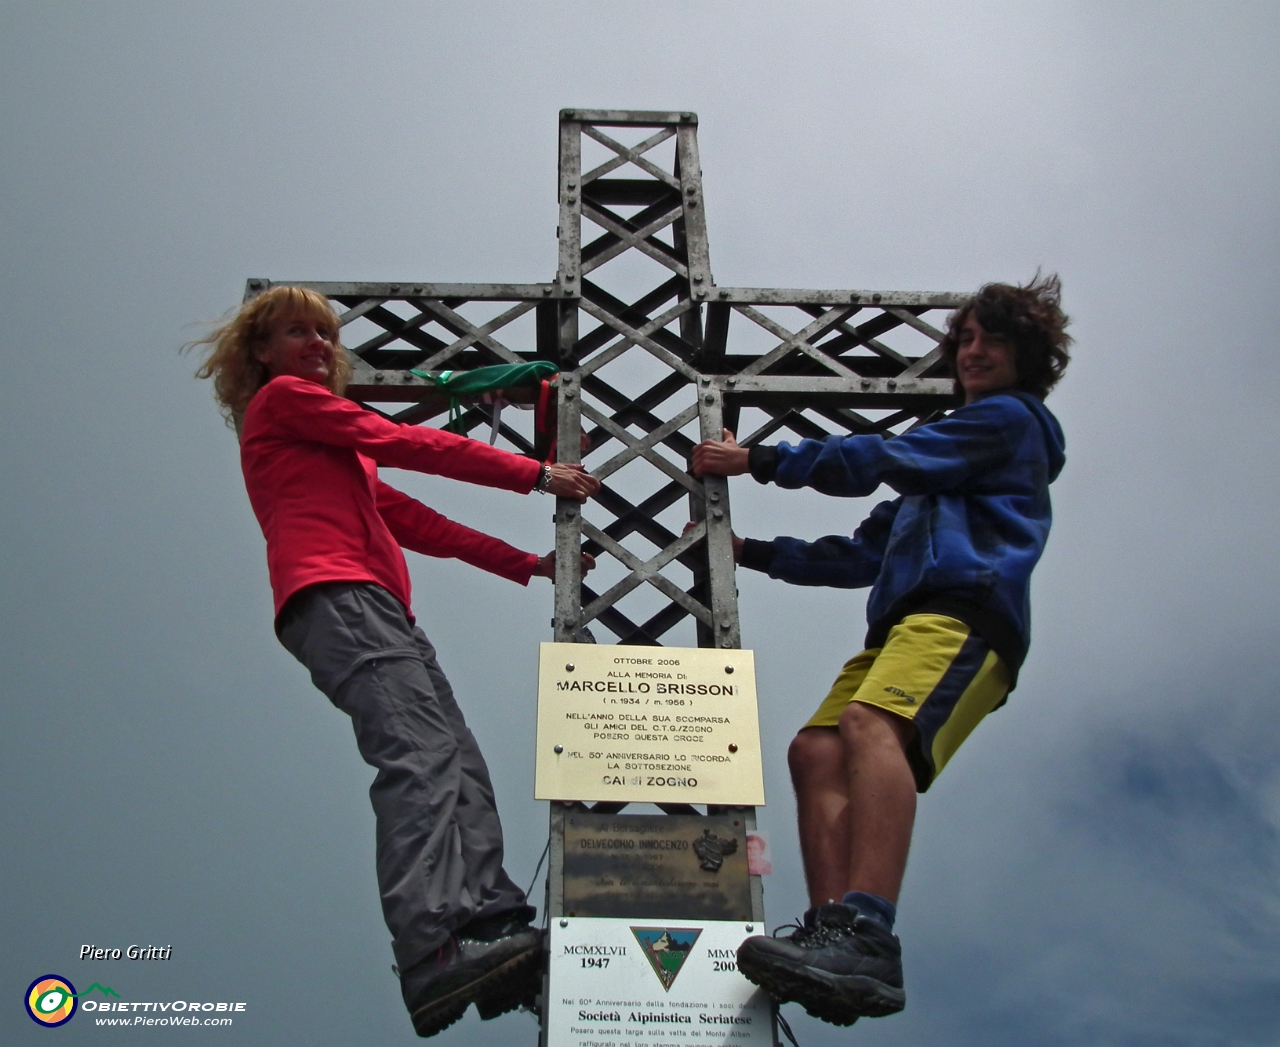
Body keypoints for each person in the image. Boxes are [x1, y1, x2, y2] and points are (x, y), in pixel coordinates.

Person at [192, 286, 600, 1037]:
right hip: (335, 592)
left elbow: (417, 521)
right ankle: (435, 941)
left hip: (377, 605)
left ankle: (488, 916)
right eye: (297, 332)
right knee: (419, 755)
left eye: (325, 332)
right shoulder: (283, 403)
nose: (317, 344)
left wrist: (526, 564)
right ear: (262, 351)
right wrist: (534, 473)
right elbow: (408, 442)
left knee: (456, 756)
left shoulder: (332, 446)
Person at [691, 274, 1071, 1026]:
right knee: (816, 750)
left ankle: (867, 932)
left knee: (869, 727)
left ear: (1027, 353)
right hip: (904, 625)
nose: (973, 350)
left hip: (966, 613)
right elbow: (857, 554)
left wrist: (762, 461)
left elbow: (883, 456)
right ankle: (833, 935)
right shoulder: (935, 480)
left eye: (991, 338)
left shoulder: (1009, 422)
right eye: (964, 338)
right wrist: (753, 551)